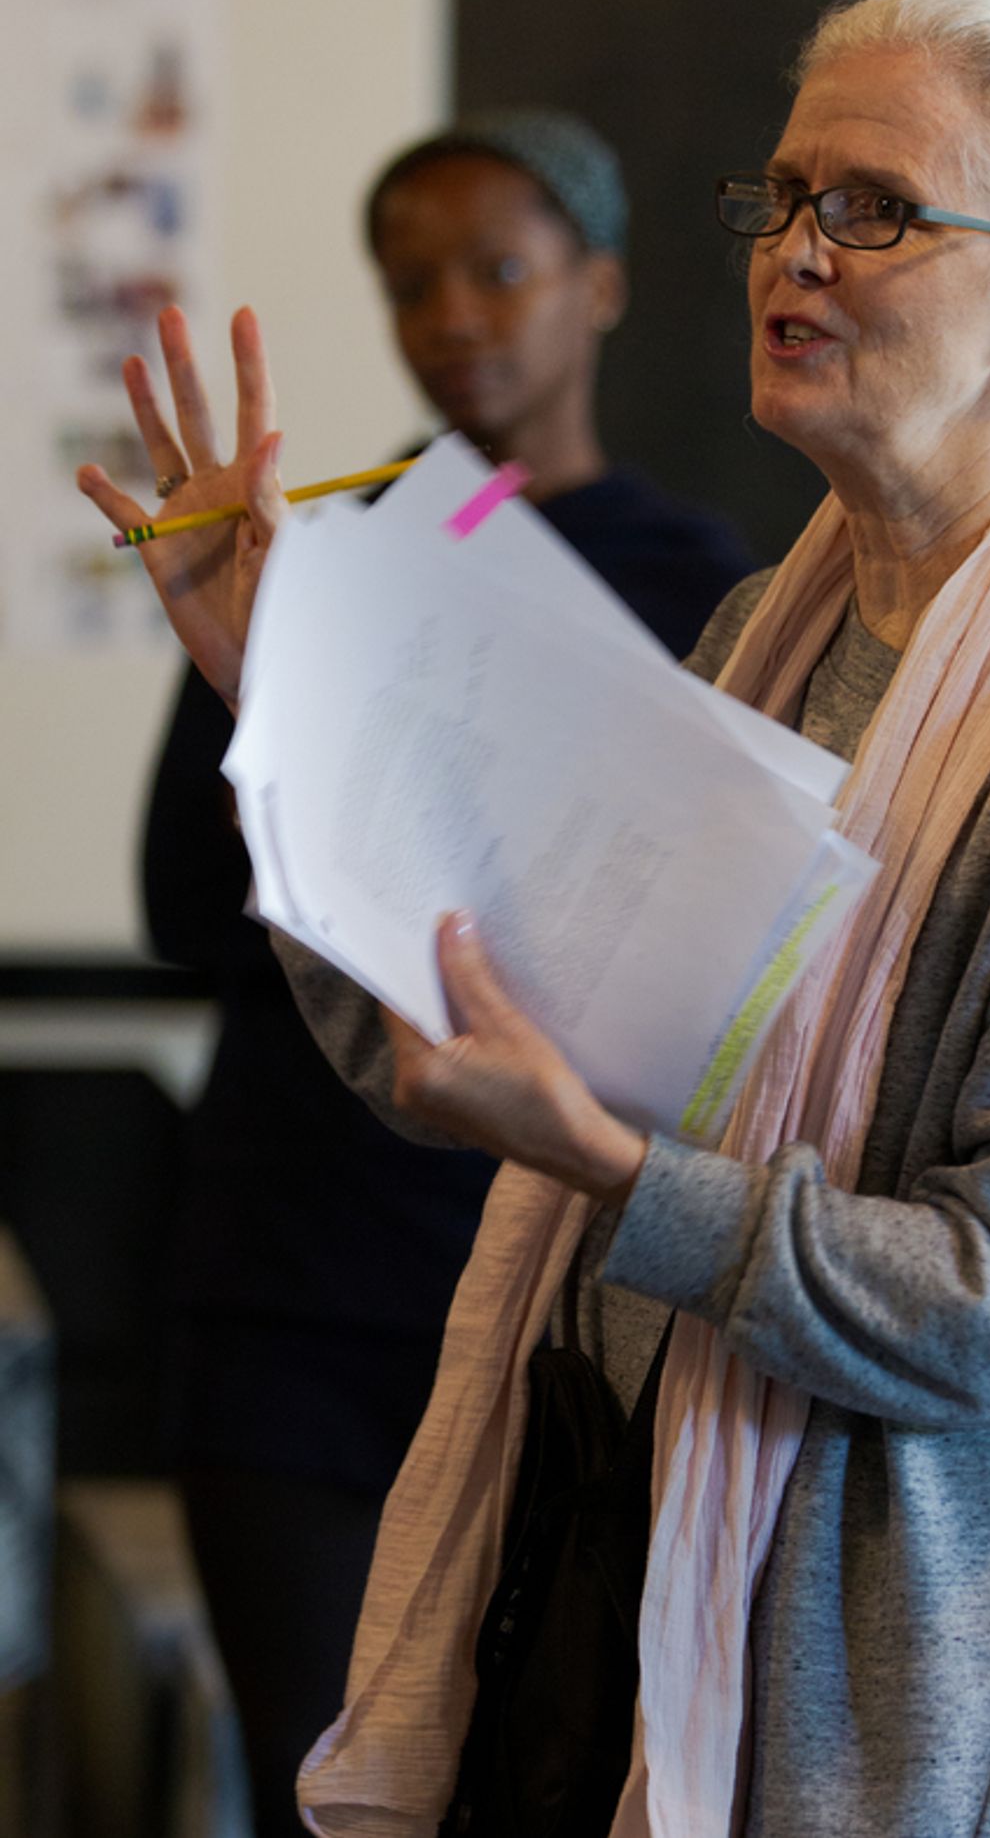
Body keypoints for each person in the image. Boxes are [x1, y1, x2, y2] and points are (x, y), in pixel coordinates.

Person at [80, 0, 990, 1838]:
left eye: (873, 210)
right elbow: (478, 1033)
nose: (793, 252)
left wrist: (615, 1173)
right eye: (785, 197)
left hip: (935, 1707)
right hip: (634, 1594)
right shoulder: (763, 637)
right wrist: (286, 714)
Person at [135, 109, 752, 1838]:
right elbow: (185, 902)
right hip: (294, 1285)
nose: (456, 318)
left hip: (551, 1290)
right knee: (311, 1787)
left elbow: (703, 949)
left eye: (500, 269)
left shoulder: (711, 591)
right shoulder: (310, 544)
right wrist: (272, 708)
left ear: (600, 285)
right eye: (414, 284)